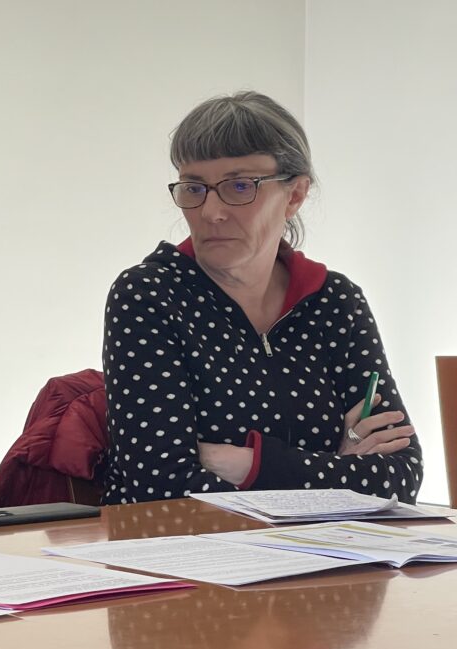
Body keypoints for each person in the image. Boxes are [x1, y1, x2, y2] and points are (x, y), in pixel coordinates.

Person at [100, 91, 421, 504]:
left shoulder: (336, 301)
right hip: (182, 543)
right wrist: (336, 469)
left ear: (295, 195)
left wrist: (249, 465)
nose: (211, 212)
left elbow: (401, 476)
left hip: (324, 545)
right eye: (194, 188)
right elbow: (160, 486)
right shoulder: (149, 295)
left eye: (239, 186)